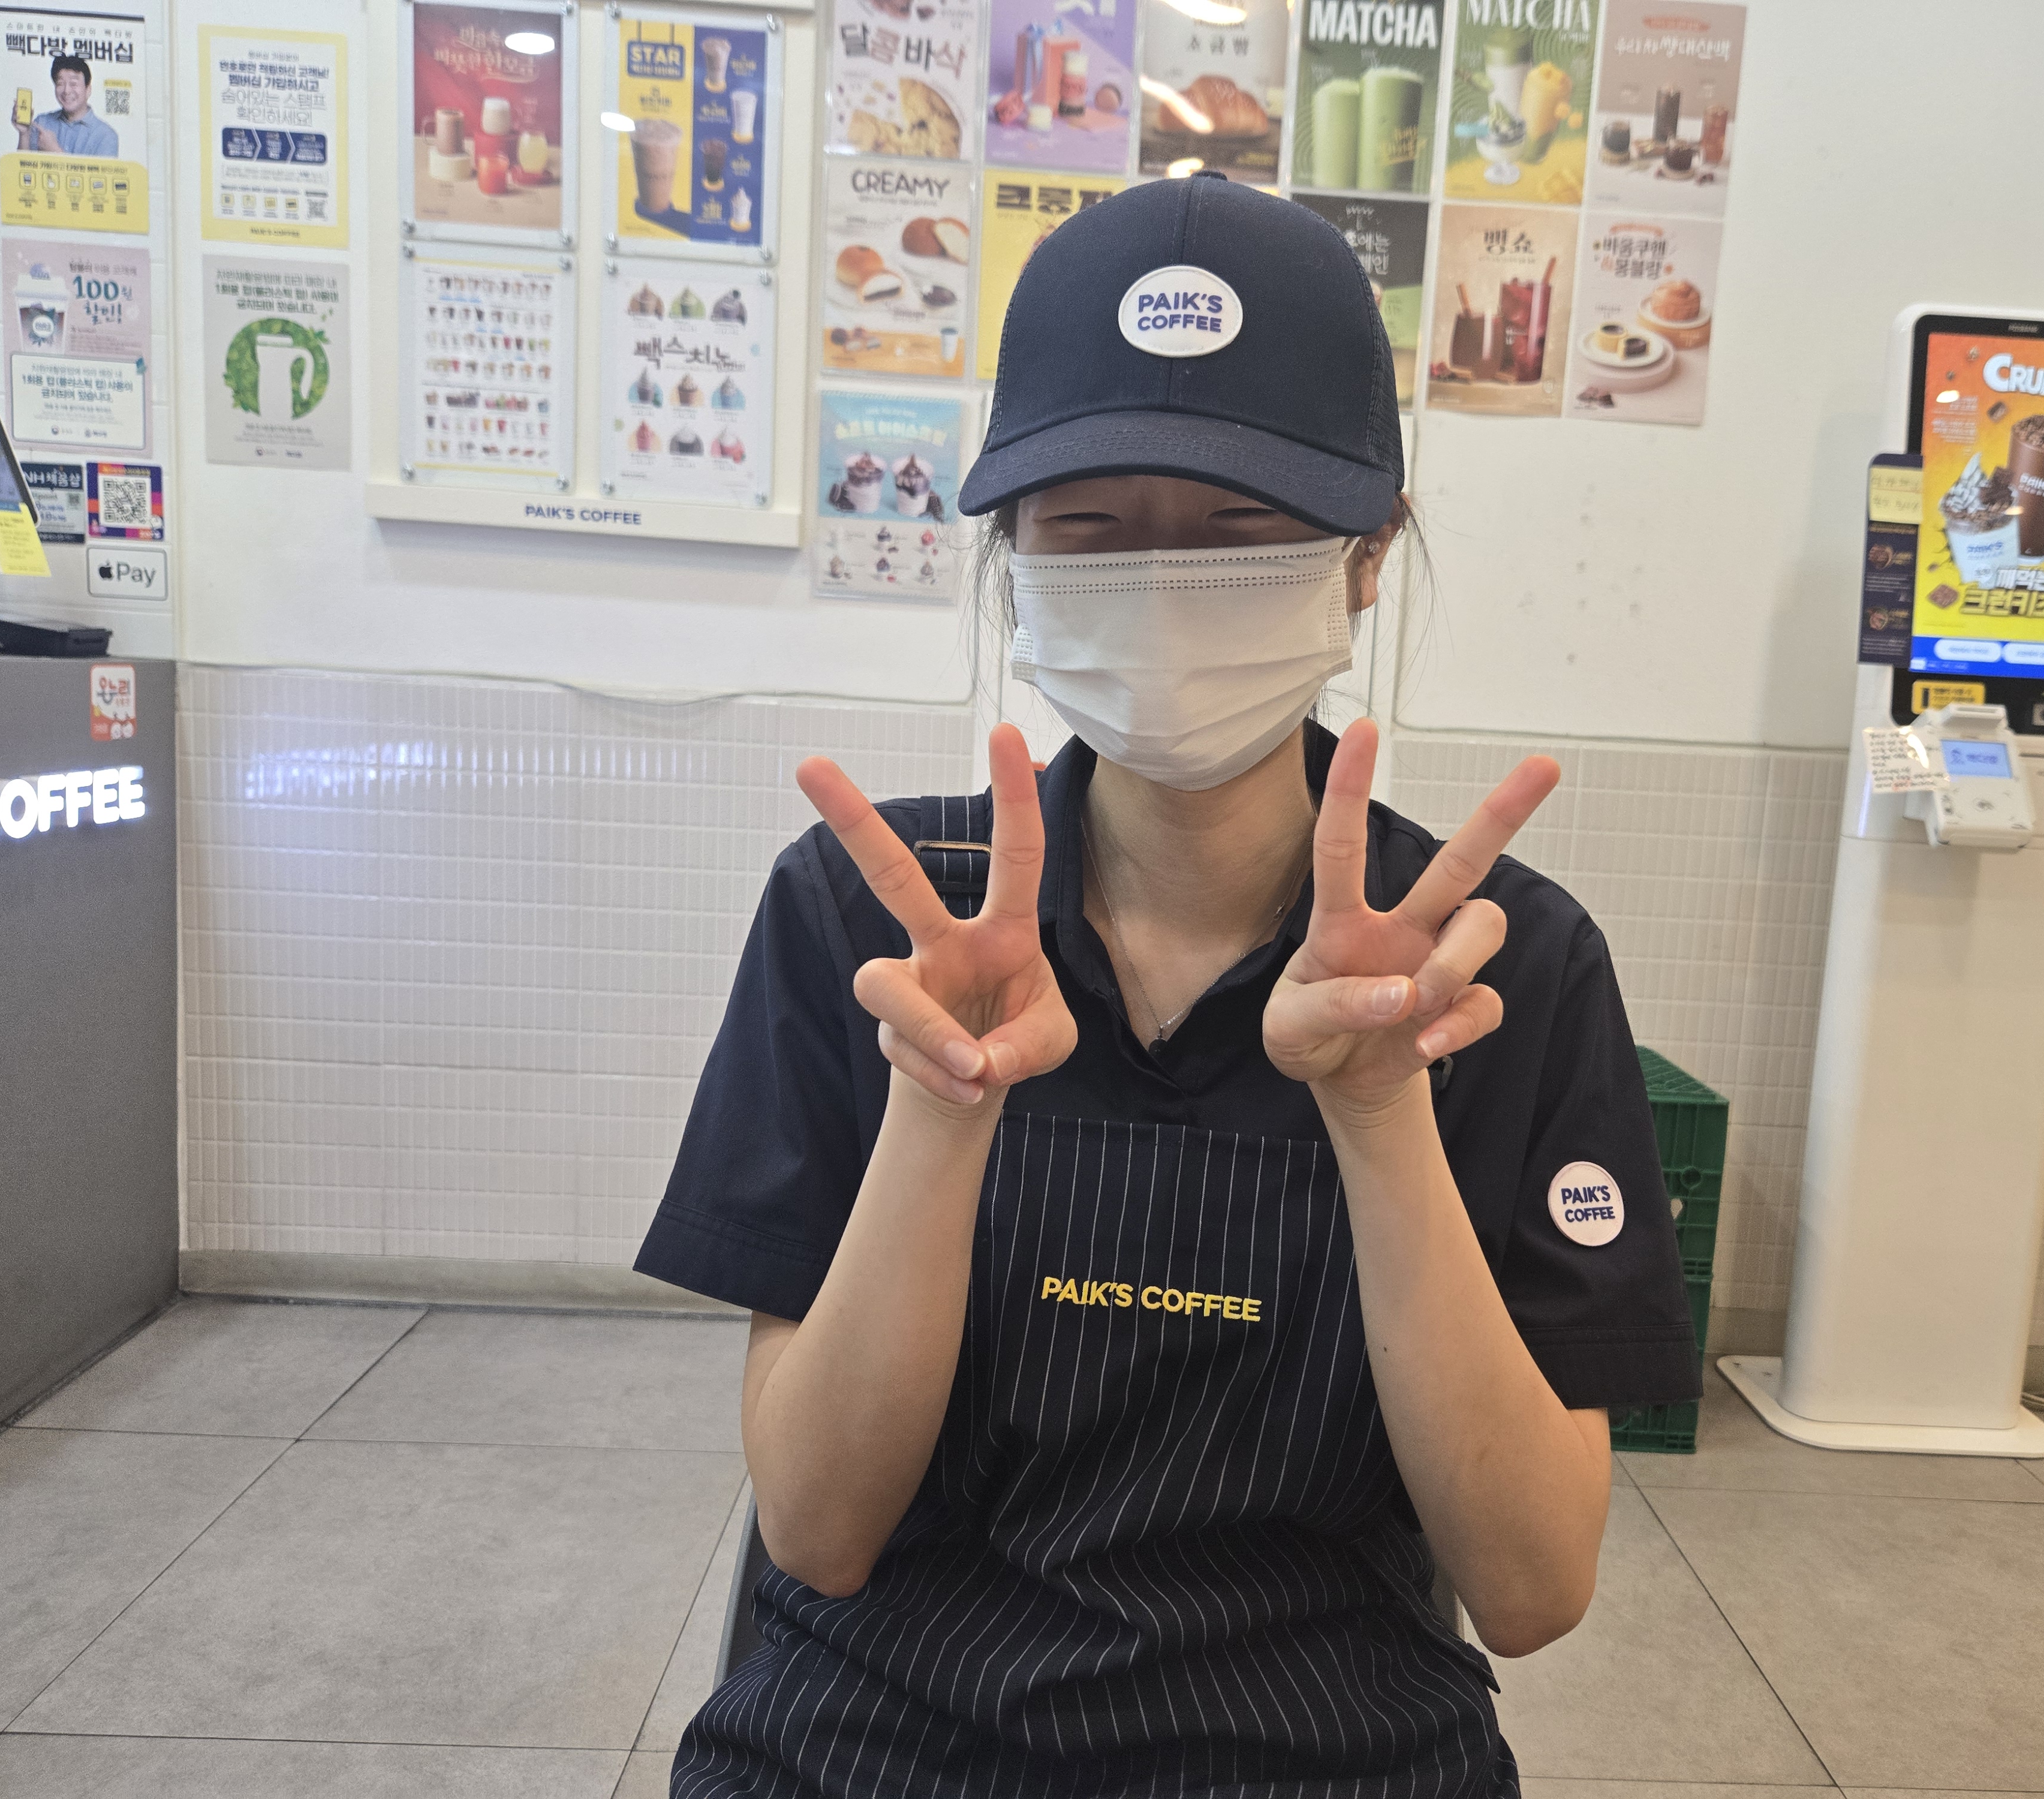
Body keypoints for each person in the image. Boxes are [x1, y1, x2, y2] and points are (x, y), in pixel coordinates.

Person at [637, 173, 1700, 1798]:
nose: (1159, 582)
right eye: (1090, 529)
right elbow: (820, 1528)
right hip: (878, 1746)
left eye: (1238, 530)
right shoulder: (869, 920)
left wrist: (1381, 1112)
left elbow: (1531, 1584)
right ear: (1013, 555)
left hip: (1333, 1757)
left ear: (1366, 559)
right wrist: (945, 1105)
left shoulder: (1494, 964)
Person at [20, 54, 119, 158]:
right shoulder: (42, 123)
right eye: (60, 84)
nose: (66, 91)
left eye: (73, 84)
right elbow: (22, 165)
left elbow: (100, 170)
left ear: (88, 90)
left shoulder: (106, 135)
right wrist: (24, 133)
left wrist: (55, 152)